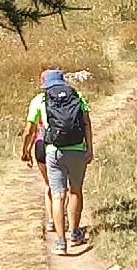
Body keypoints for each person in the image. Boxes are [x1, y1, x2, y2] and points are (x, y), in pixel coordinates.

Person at [21, 66, 93, 255]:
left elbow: (29, 130)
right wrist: (89, 149)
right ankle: (75, 233)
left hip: (53, 150)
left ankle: (61, 242)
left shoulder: (40, 100)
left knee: (58, 194)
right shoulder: (77, 96)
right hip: (77, 149)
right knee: (75, 191)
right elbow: (87, 123)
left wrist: (25, 150)